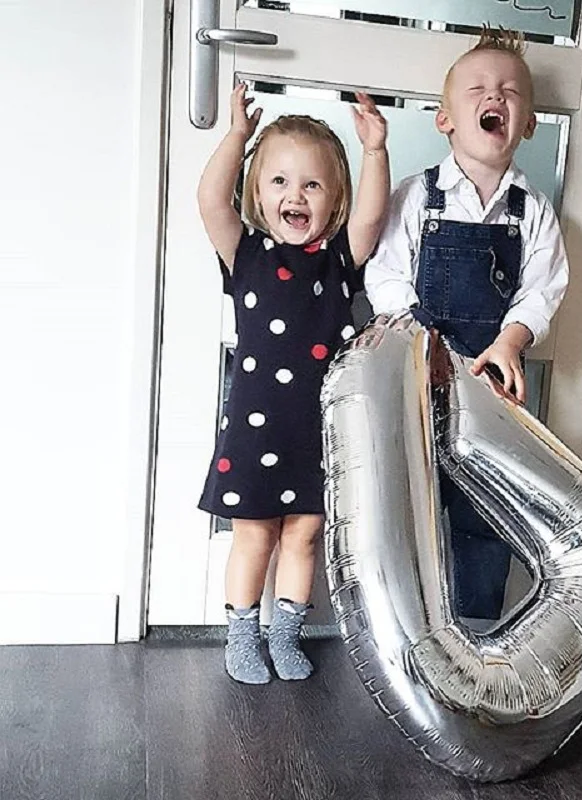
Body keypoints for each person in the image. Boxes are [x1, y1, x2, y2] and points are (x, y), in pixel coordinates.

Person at [365, 28, 568, 625]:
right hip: (417, 378)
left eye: (510, 91)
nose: (495, 97)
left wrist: (510, 341)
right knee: (411, 503)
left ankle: (478, 629)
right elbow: (386, 276)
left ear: (528, 124)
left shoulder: (533, 211)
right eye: (477, 89)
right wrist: (420, 340)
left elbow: (543, 289)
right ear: (445, 119)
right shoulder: (415, 197)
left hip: (491, 386)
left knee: (485, 507)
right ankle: (408, 627)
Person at [198, 84, 389, 683]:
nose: (295, 195)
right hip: (255, 428)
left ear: (334, 200)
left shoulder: (339, 261)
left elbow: (372, 217)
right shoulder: (246, 253)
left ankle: (285, 636)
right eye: (279, 181)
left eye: (311, 185)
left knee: (304, 535)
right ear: (257, 192)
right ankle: (241, 638)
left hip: (316, 430)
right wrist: (238, 137)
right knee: (254, 536)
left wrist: (375, 151)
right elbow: (210, 201)